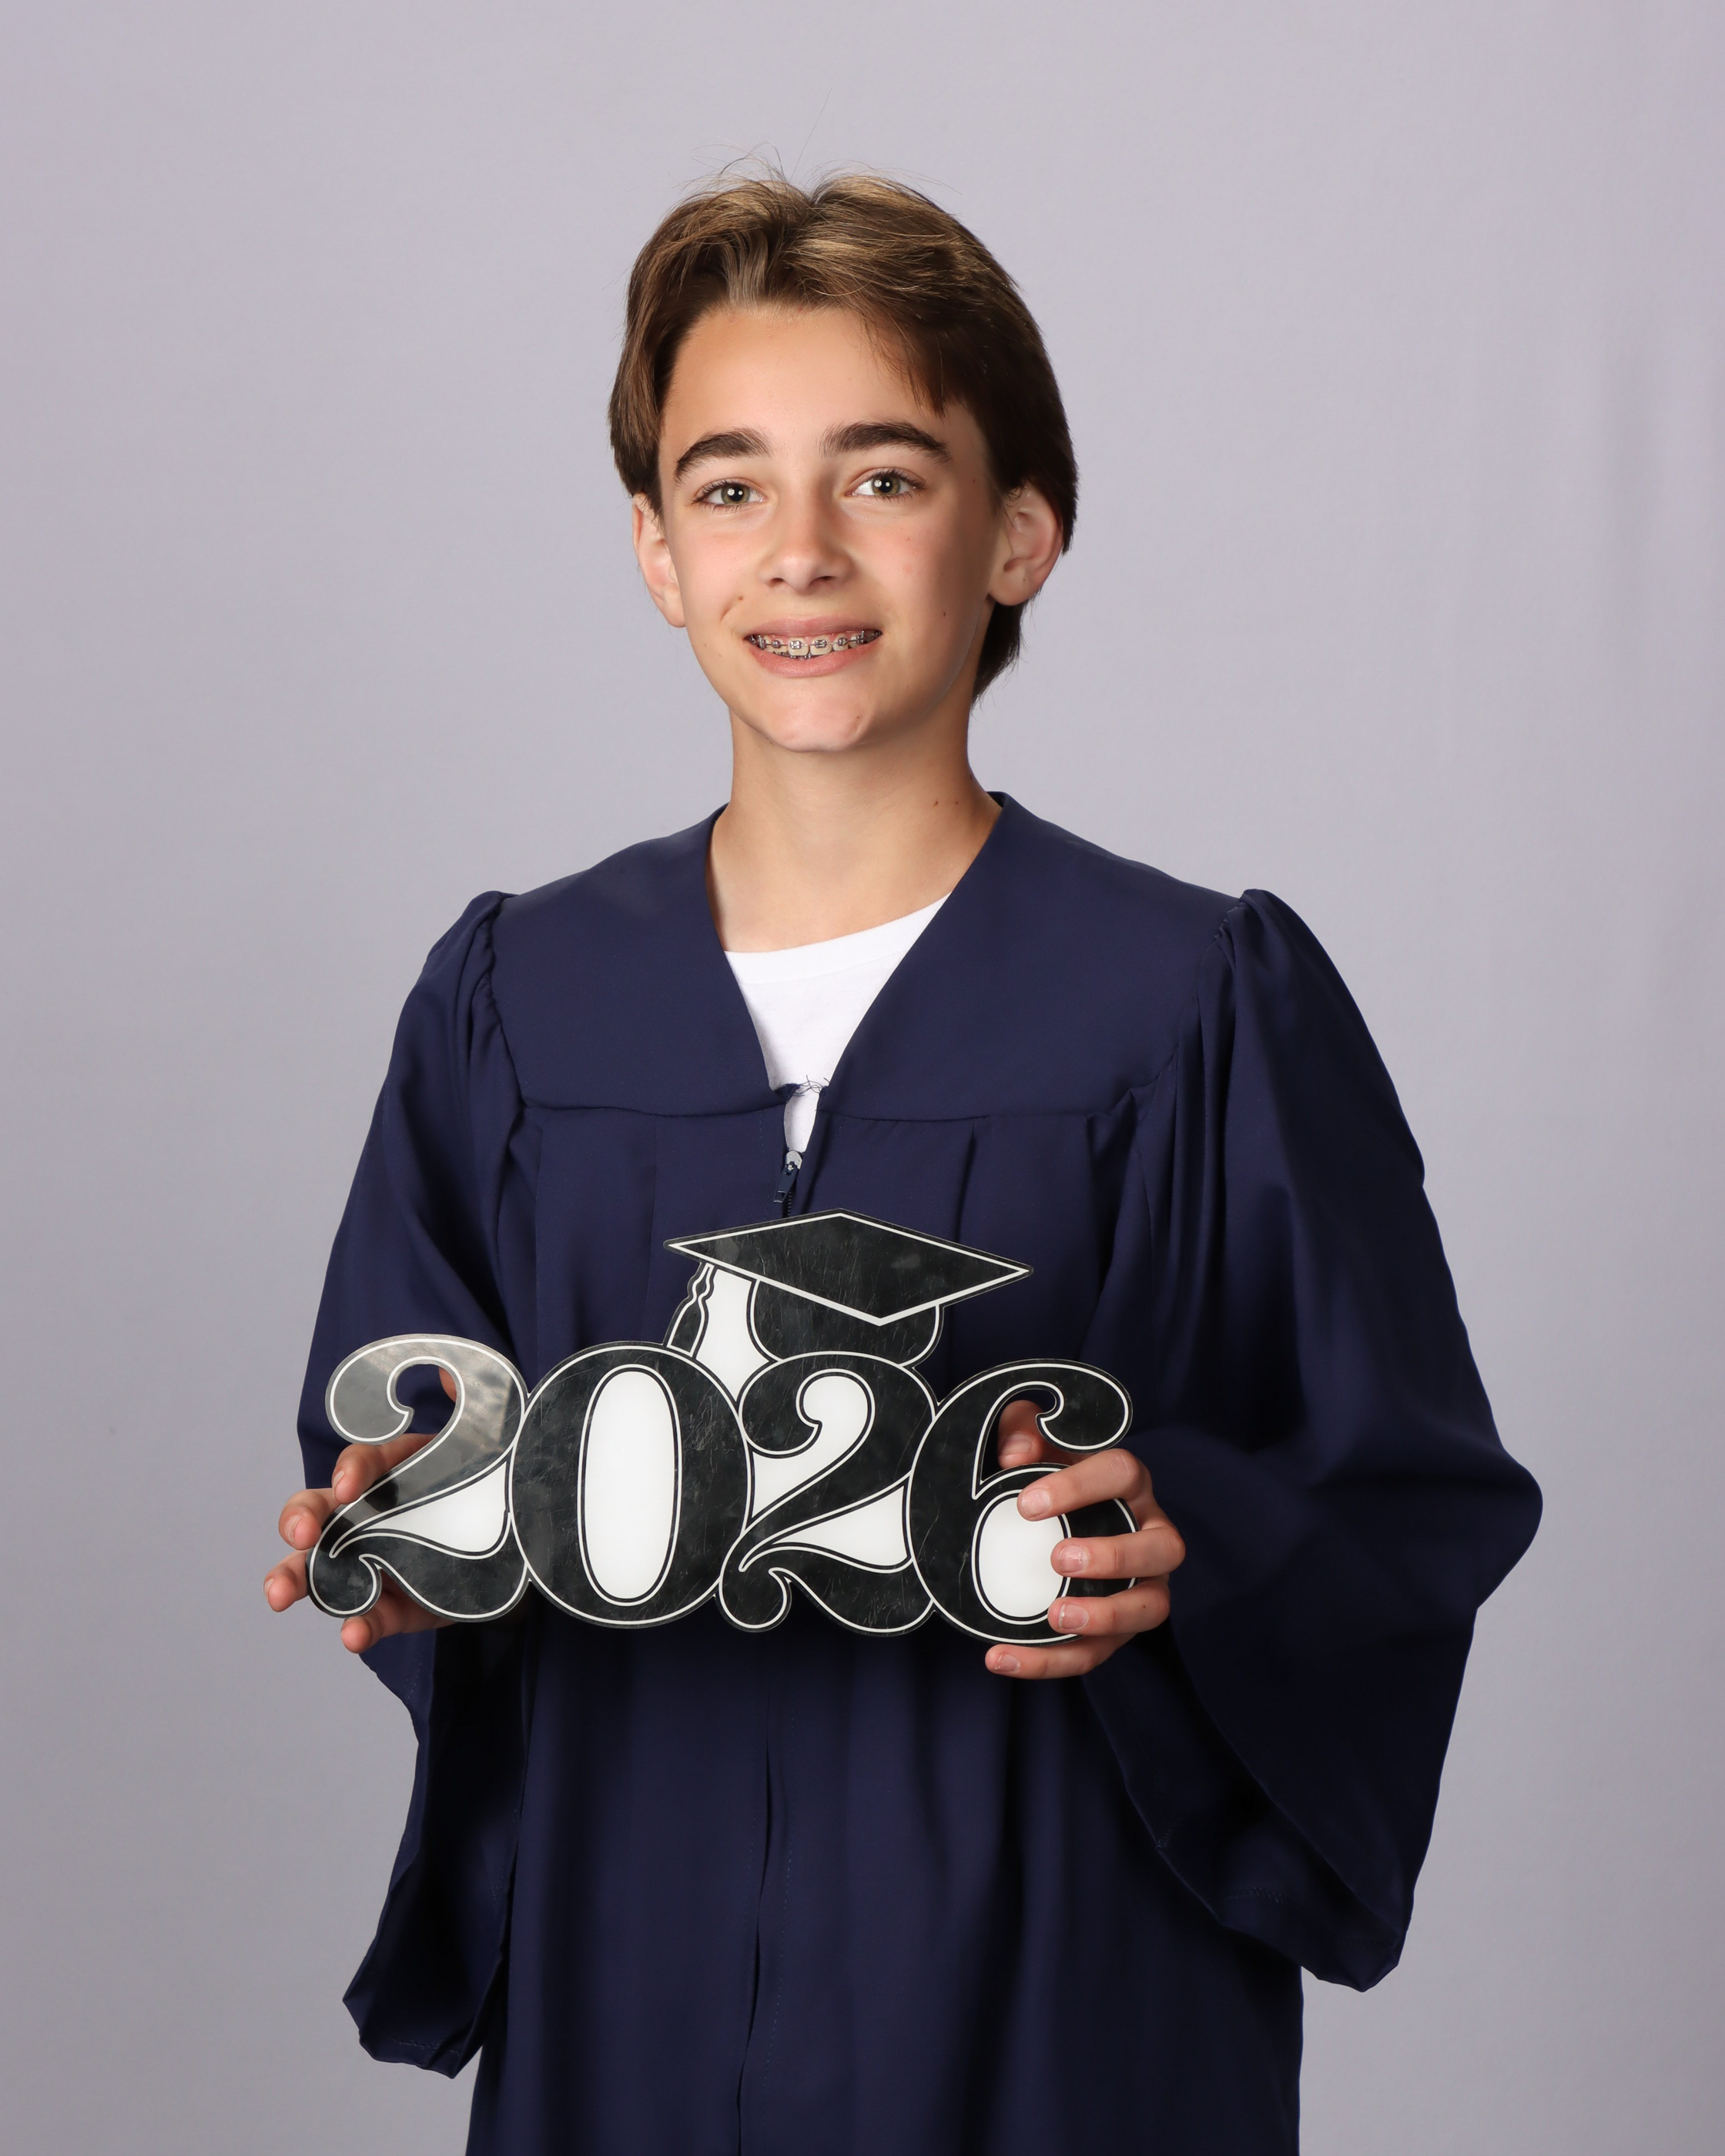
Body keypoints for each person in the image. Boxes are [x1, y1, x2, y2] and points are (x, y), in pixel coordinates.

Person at [266, 172, 1540, 2154]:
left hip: (1052, 1999)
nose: (800, 550)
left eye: (880, 476)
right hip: (635, 1963)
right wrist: (410, 1534)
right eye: (728, 486)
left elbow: (1404, 1489)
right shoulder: (516, 1002)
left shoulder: (1196, 1000)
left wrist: (1181, 1532)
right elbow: (418, 1418)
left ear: (1018, 531)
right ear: (655, 549)